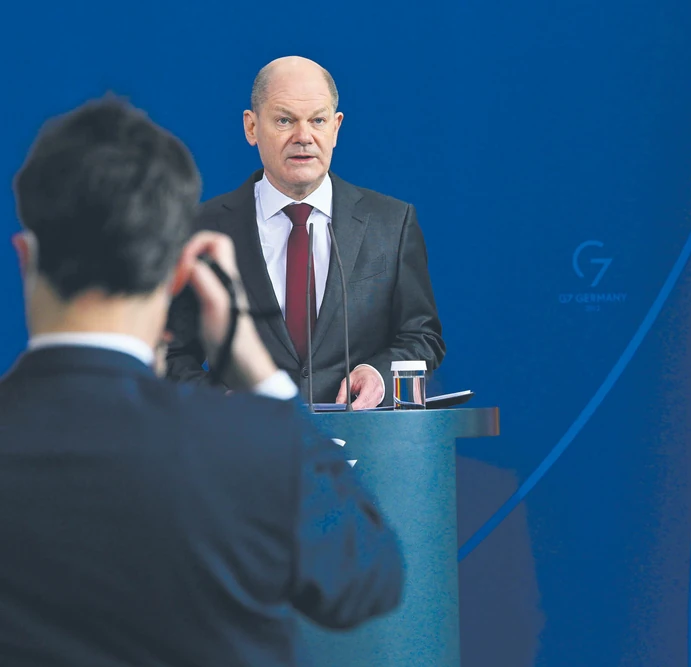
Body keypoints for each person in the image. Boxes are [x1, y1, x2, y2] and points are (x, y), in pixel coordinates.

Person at [0, 96, 403, 666]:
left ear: (24, 257)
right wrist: (265, 382)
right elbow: (368, 578)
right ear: (182, 270)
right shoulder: (250, 445)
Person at [165, 56, 446, 408]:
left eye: (318, 120)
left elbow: (421, 337)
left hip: (359, 436)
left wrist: (378, 374)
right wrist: (218, 402)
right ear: (251, 127)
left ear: (336, 128)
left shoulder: (391, 223)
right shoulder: (202, 228)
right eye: (285, 120)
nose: (303, 137)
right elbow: (171, 352)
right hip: (241, 436)